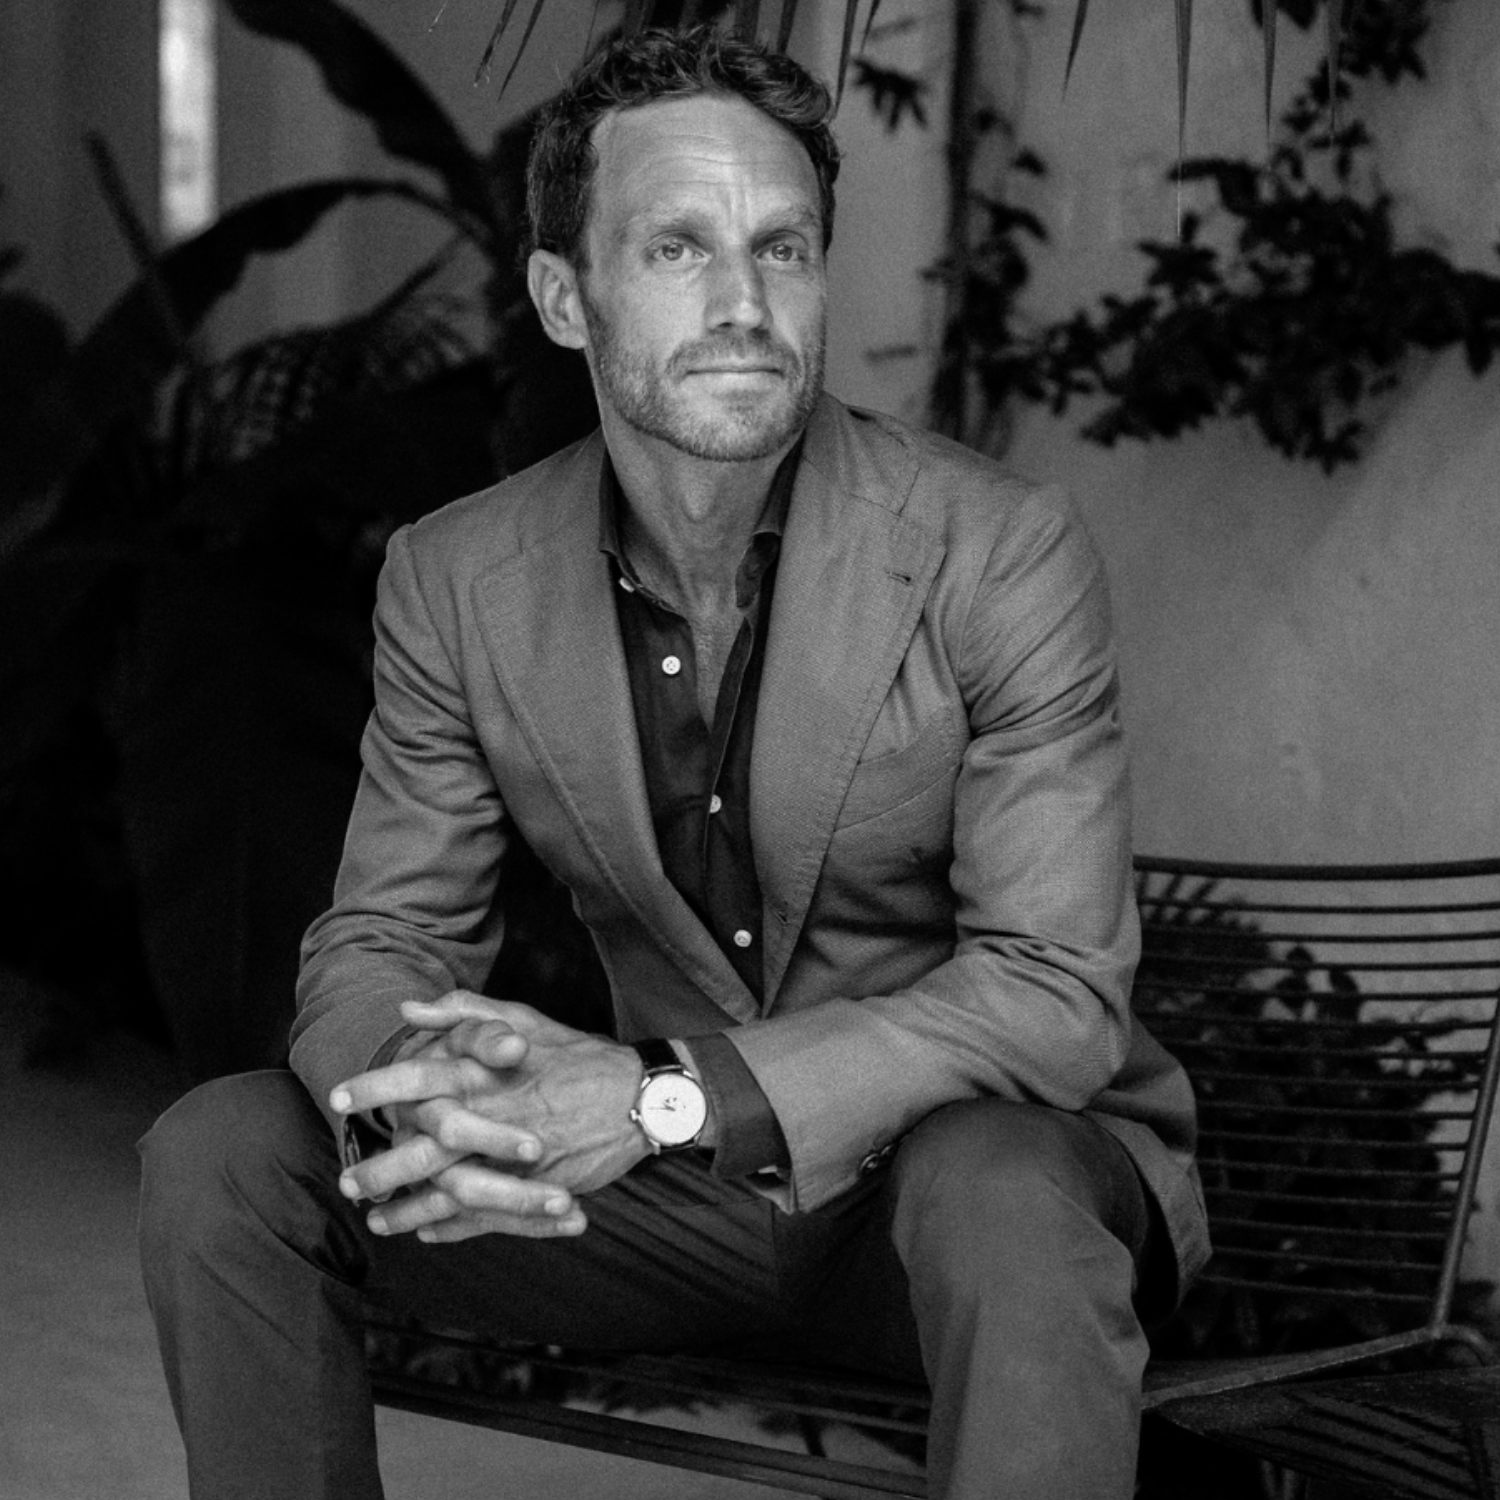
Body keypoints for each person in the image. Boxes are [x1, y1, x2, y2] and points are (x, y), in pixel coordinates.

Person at [139, 25, 1208, 1500]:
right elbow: (384, 936)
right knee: (227, 1157)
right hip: (664, 1215)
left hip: (953, 1215)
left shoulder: (995, 551)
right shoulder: (459, 579)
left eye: (784, 249)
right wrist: (430, 1095)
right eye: (678, 251)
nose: (744, 305)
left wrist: (652, 1096)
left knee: (1000, 1183)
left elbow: (1053, 994)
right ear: (564, 298)